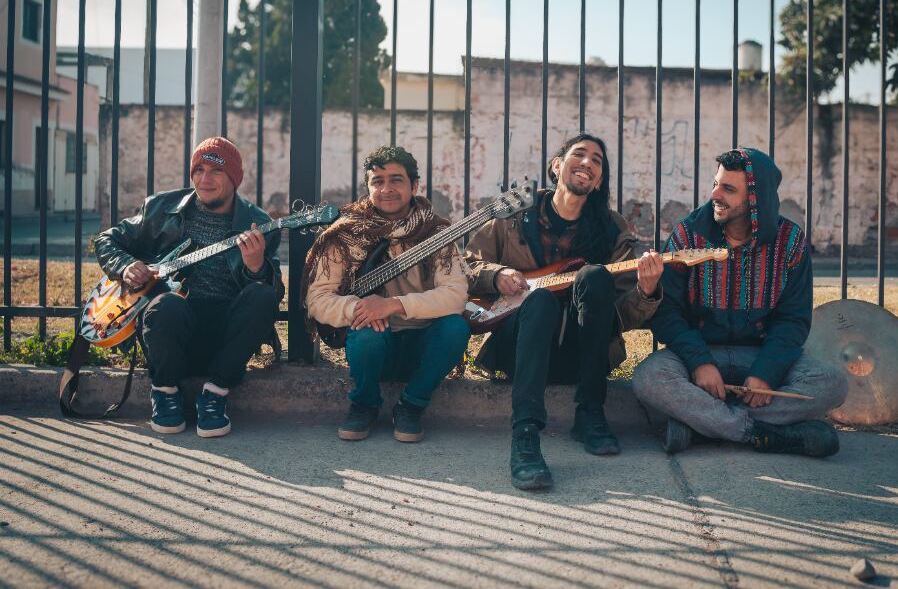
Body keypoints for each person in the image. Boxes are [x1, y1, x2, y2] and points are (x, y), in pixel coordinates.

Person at [464, 133, 664, 490]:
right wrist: (496, 275)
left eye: (597, 161)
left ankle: (590, 413)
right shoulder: (513, 215)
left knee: (594, 276)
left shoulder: (613, 228)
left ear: (599, 179)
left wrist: (647, 291)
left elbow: (624, 316)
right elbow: (464, 265)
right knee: (538, 301)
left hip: (583, 355)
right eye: (580, 154)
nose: (588, 163)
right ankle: (525, 437)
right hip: (518, 351)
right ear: (557, 166)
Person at [633, 148, 848, 458]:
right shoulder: (687, 235)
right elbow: (668, 311)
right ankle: (765, 434)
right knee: (649, 378)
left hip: (760, 354)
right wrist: (700, 363)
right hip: (701, 353)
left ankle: (701, 426)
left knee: (832, 384)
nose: (715, 194)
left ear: (755, 200)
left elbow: (793, 319)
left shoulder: (790, 241)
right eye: (716, 183)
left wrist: (767, 373)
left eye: (728, 189)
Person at [94, 136, 283, 438]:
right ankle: (165, 391)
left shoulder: (257, 224)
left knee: (263, 294)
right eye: (199, 170)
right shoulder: (160, 209)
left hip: (225, 337)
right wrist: (125, 265)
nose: (204, 179)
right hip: (171, 330)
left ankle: (216, 395)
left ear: (234, 178)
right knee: (167, 303)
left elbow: (272, 291)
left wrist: (255, 267)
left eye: (216, 171)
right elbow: (107, 240)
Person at [303, 145, 470, 443]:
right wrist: (360, 308)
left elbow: (455, 295)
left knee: (455, 327)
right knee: (366, 332)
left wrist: (393, 305)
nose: (386, 189)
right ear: (368, 187)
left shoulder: (437, 233)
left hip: (424, 345)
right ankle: (364, 403)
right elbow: (317, 299)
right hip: (373, 349)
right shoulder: (346, 233)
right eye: (377, 181)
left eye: (396, 179)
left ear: (414, 185)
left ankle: (411, 405)